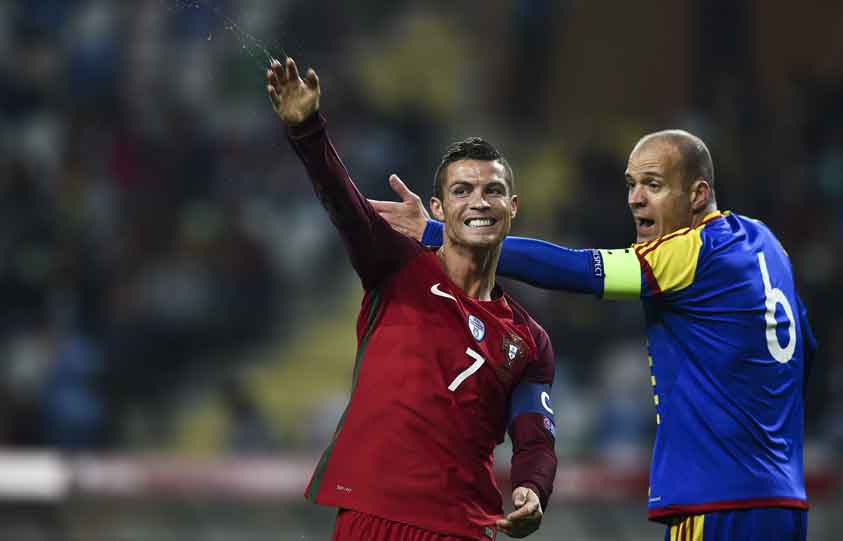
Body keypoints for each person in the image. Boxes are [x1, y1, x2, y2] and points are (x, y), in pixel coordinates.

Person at [372, 130, 816, 541]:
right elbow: (804, 351)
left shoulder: (693, 253)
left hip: (719, 501)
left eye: (654, 185)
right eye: (631, 184)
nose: (636, 200)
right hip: (785, 499)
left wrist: (441, 235)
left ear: (698, 194)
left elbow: (581, 270)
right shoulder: (765, 244)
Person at [266, 57, 558, 541]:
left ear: (512, 208)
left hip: (461, 527)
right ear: (440, 210)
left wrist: (533, 488)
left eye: (493, 191)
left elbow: (536, 438)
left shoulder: (530, 341)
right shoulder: (398, 268)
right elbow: (346, 205)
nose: (479, 202)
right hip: (372, 519)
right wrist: (307, 130)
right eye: (462, 190)